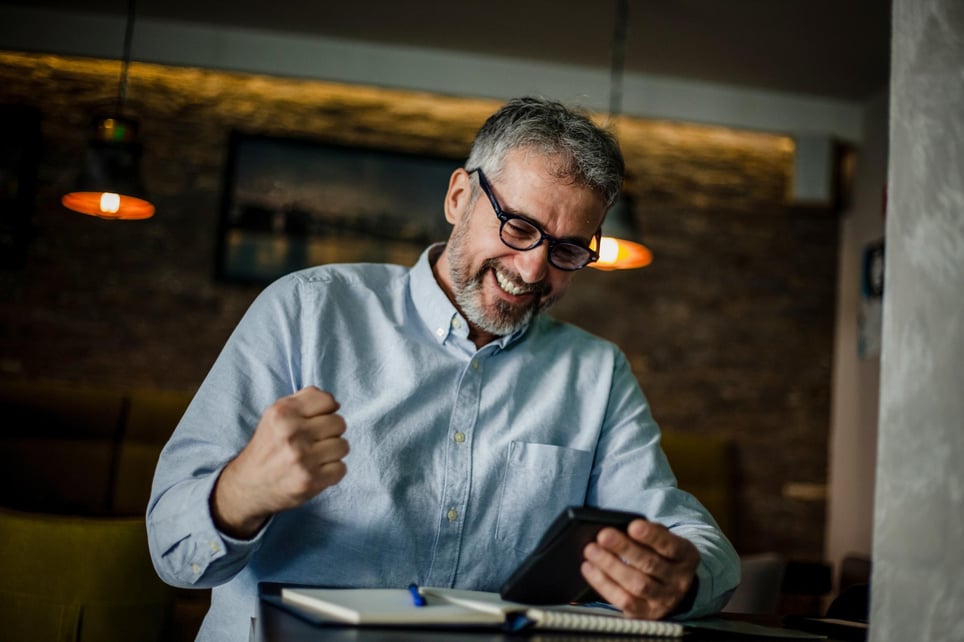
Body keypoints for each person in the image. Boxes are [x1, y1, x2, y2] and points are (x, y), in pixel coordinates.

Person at [147, 96, 740, 641]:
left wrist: (679, 579)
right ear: (459, 197)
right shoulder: (306, 308)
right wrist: (242, 492)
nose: (533, 271)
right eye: (519, 227)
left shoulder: (597, 372)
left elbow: (693, 540)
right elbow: (172, 552)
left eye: (566, 250)